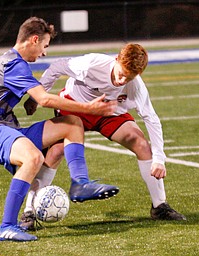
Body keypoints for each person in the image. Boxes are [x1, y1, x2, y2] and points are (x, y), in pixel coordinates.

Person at [0, 16, 119, 242]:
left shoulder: (6, 60)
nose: (44, 53)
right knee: (33, 158)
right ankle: (6, 226)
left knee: (72, 123)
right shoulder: (14, 64)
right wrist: (89, 107)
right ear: (34, 39)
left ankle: (80, 183)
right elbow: (46, 100)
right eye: (44, 46)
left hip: (6, 126)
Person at [20, 43, 186, 230]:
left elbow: (151, 118)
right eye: (121, 73)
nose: (123, 81)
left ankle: (159, 206)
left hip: (109, 113)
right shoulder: (92, 64)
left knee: (141, 144)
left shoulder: (136, 85)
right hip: (76, 107)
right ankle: (29, 211)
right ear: (116, 59)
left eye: (129, 77)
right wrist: (36, 97)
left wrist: (159, 159)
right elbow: (58, 66)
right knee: (56, 152)